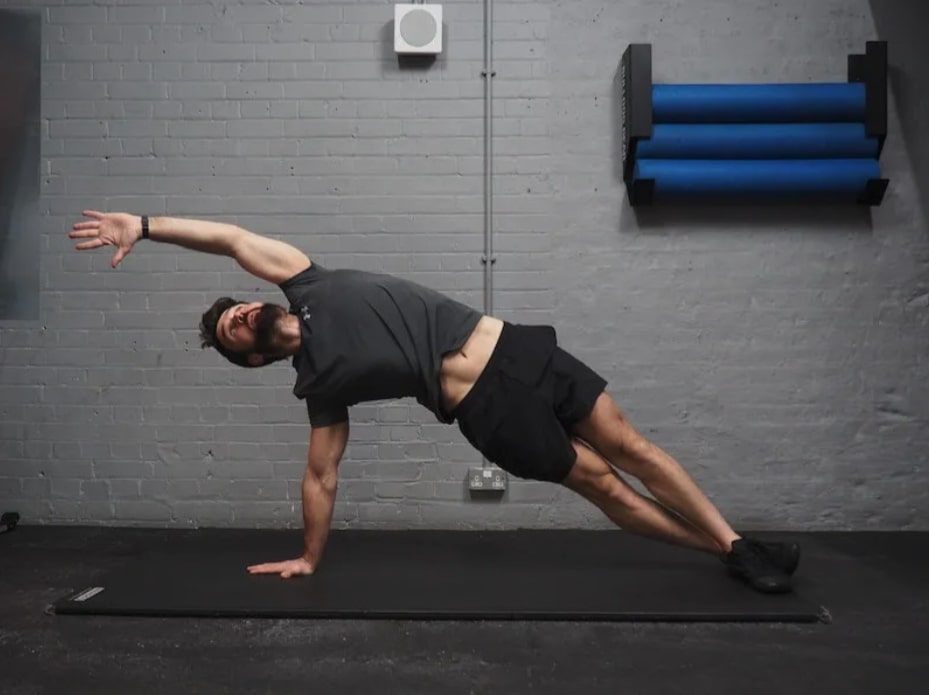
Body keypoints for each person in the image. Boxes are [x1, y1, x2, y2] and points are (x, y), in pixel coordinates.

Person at [70, 210, 800, 593]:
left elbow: (229, 238)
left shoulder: (305, 278)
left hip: (516, 347)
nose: (236, 319)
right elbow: (321, 475)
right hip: (486, 408)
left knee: (632, 447)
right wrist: (308, 555)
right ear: (254, 358)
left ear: (260, 301)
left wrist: (144, 224)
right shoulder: (319, 385)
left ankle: (733, 545)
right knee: (602, 483)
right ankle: (726, 550)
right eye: (231, 335)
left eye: (234, 311)